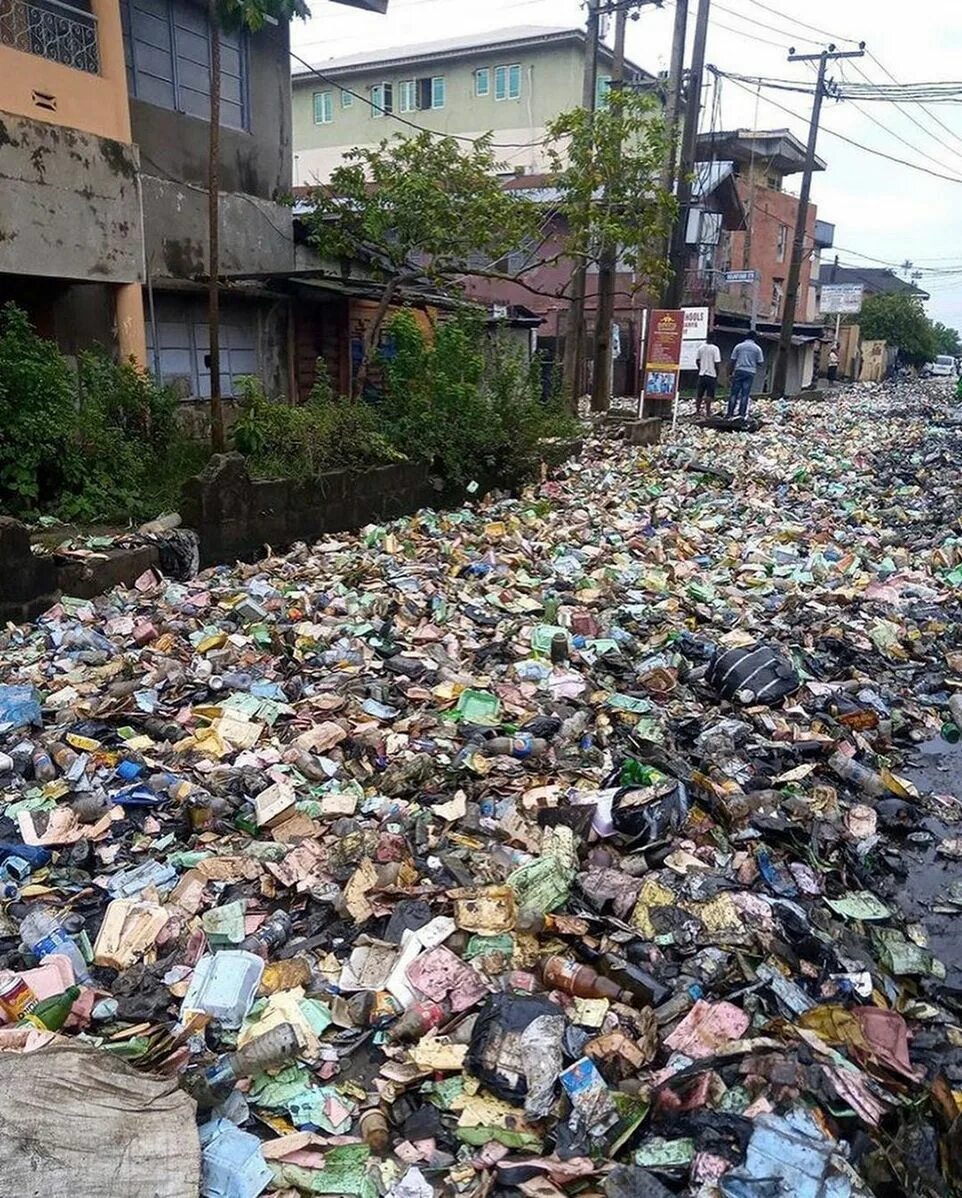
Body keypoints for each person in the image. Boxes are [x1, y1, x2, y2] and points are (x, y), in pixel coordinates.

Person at [727, 331, 765, 419]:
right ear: (754, 338)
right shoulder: (757, 348)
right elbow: (760, 362)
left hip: (739, 370)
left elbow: (732, 361)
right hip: (750, 372)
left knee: (734, 393)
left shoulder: (739, 346)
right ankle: (742, 414)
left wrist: (730, 373)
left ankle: (730, 413)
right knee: (745, 394)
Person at [694, 338, 722, 417]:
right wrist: (717, 372)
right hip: (711, 374)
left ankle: (697, 411)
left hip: (702, 374)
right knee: (709, 394)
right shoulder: (715, 349)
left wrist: (700, 368)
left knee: (699, 394)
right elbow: (717, 363)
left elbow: (697, 360)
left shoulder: (701, 348)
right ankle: (708, 412)